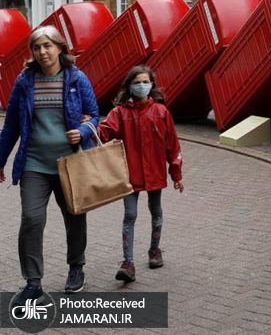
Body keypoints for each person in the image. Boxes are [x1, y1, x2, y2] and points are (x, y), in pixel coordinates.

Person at [0, 26, 100, 305]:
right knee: (31, 219)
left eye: (47, 46)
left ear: (59, 47)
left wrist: (84, 130)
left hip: (70, 164)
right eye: (36, 47)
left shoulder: (76, 78)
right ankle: (33, 282)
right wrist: (1, 159)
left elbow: (94, 115)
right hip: (34, 164)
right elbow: (11, 126)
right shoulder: (25, 82)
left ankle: (76, 267)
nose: (42, 52)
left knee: (74, 217)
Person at [98, 65, 183, 284]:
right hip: (129, 174)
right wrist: (86, 127)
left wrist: (176, 174)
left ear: (152, 84)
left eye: (145, 82)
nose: (142, 86)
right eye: (137, 83)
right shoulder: (120, 113)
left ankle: (155, 250)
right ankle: (128, 263)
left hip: (154, 172)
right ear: (129, 86)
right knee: (130, 214)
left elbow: (172, 145)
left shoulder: (161, 112)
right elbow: (104, 132)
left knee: (156, 210)